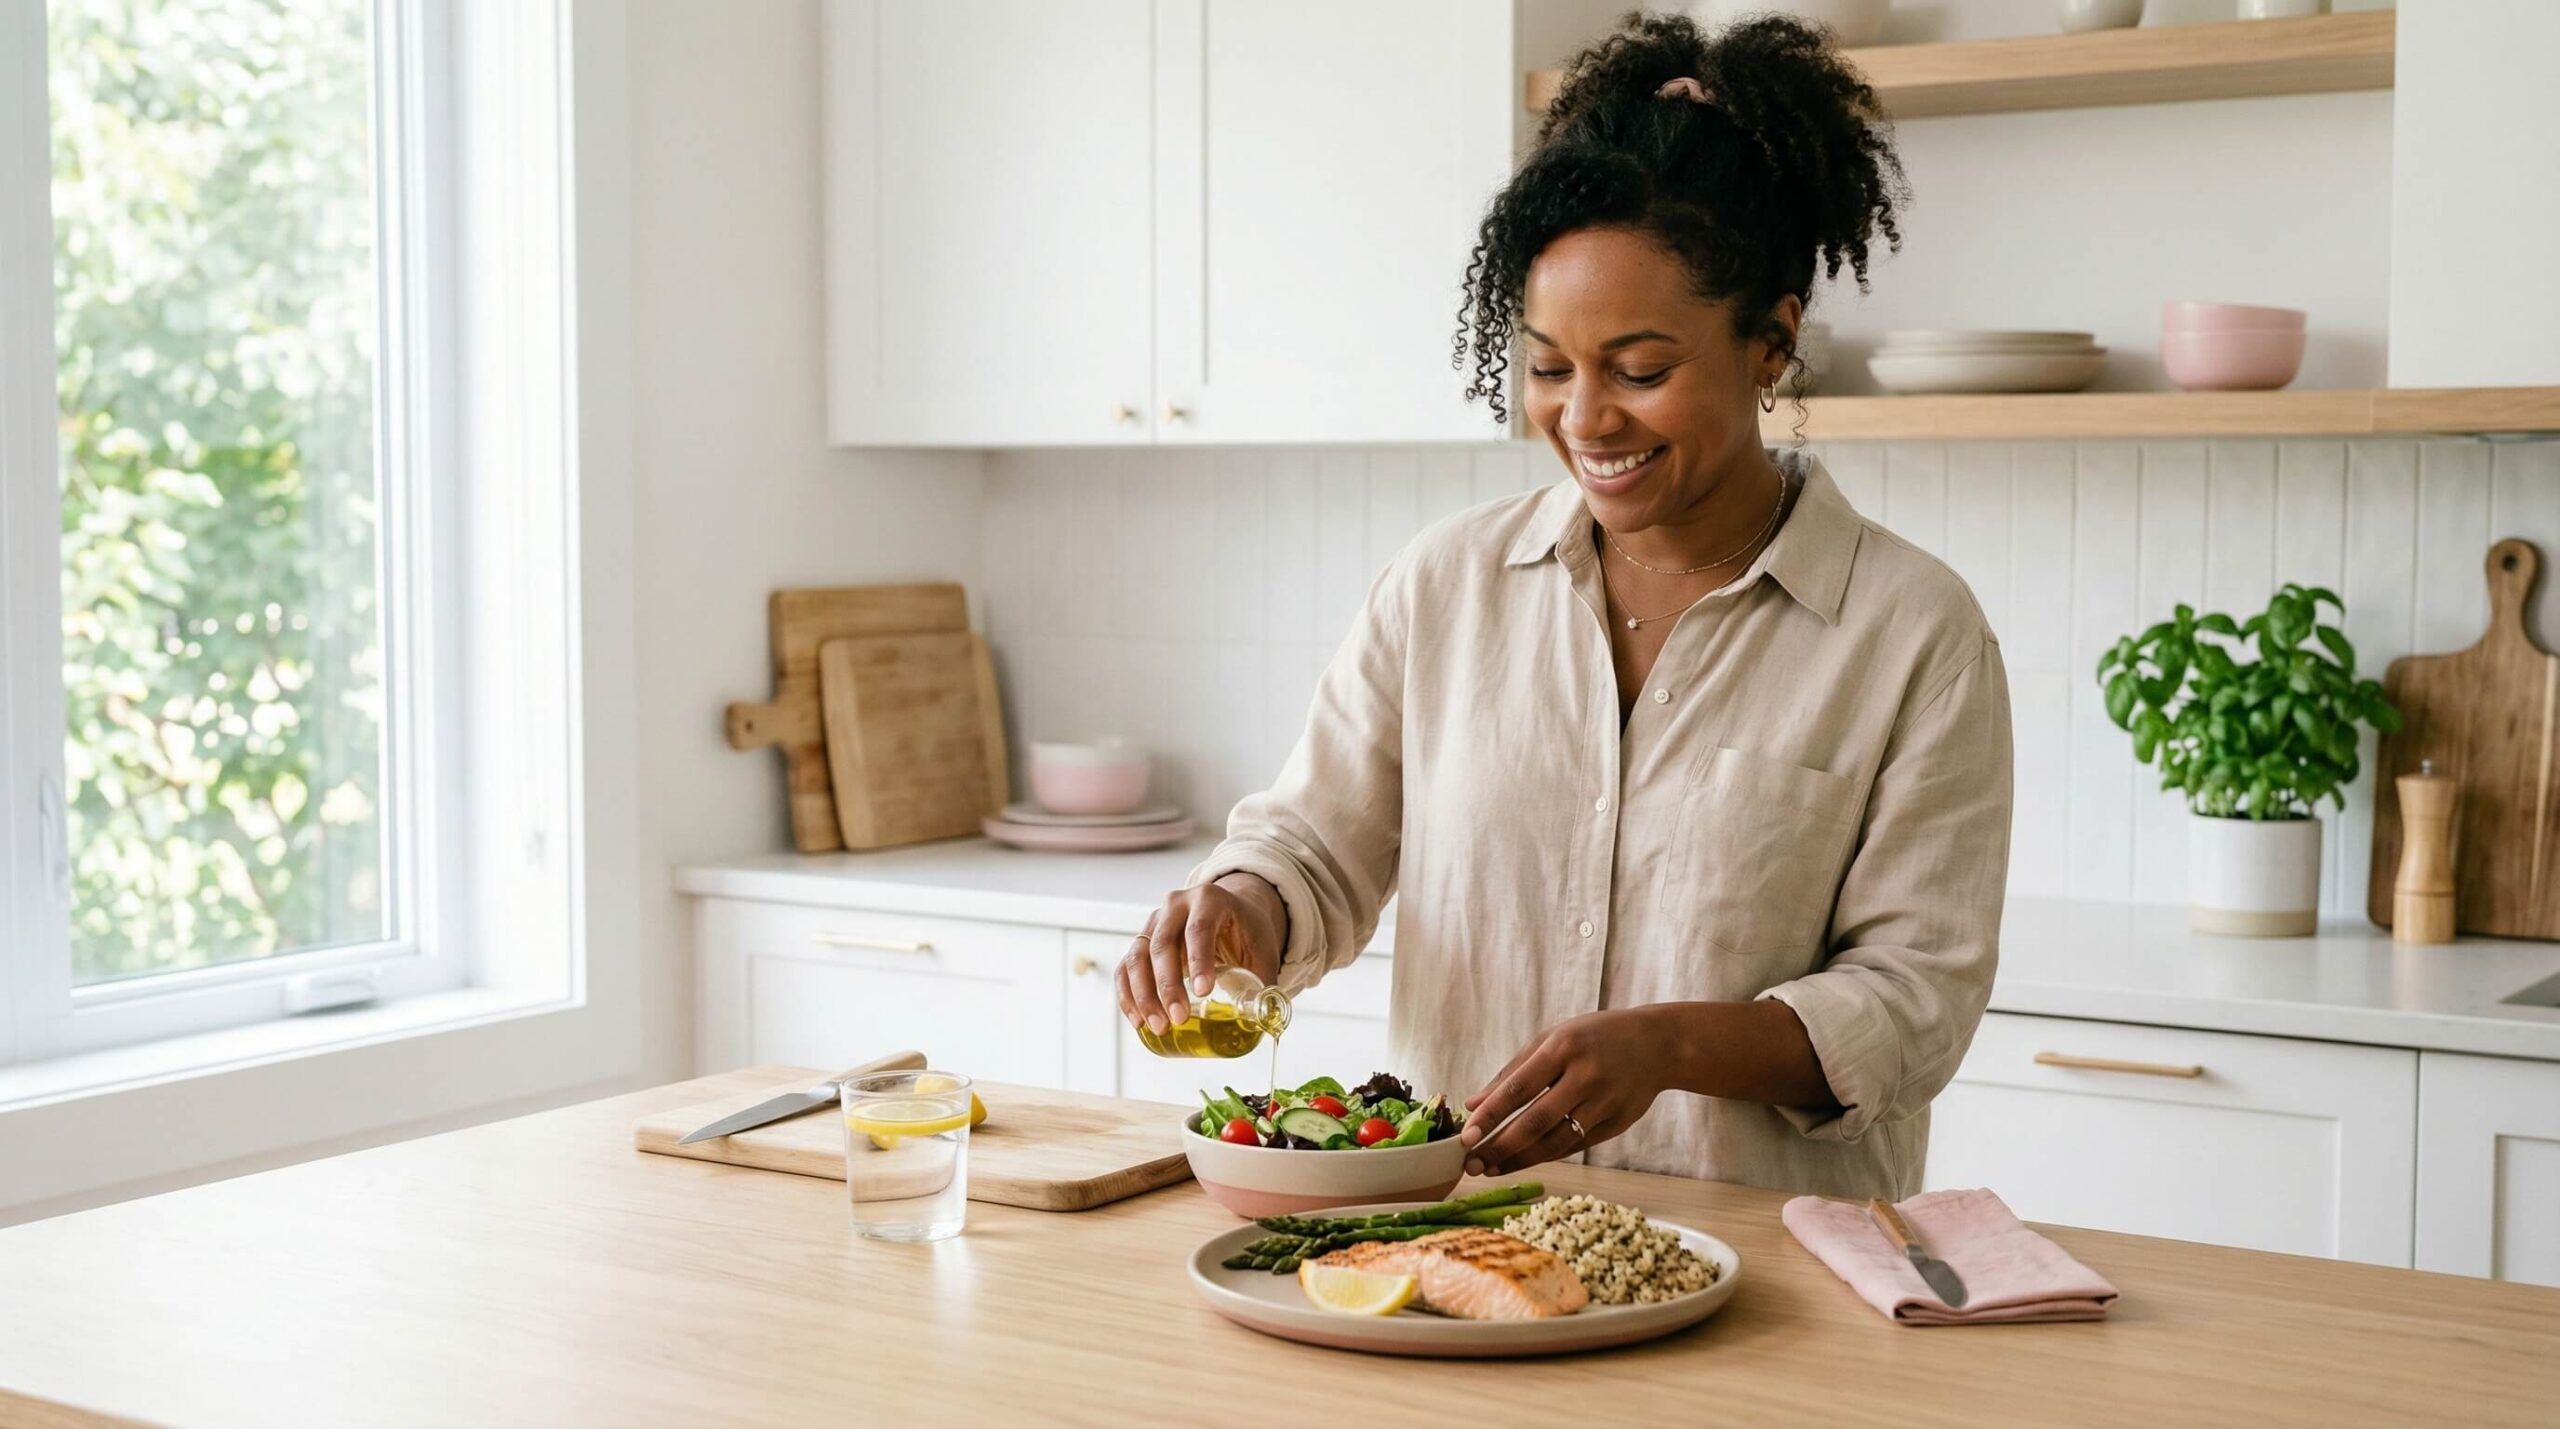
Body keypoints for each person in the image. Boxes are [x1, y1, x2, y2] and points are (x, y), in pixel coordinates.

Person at [1115, 13, 2012, 1200]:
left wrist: (1673, 1046)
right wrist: (1237, 912)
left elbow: (1915, 1000)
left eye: (1640, 370)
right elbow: (1314, 851)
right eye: (1547, 367)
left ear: (1773, 344)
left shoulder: (1912, 633)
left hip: (1772, 1286)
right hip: (1460, 1243)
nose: (1584, 418)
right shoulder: (1443, 587)